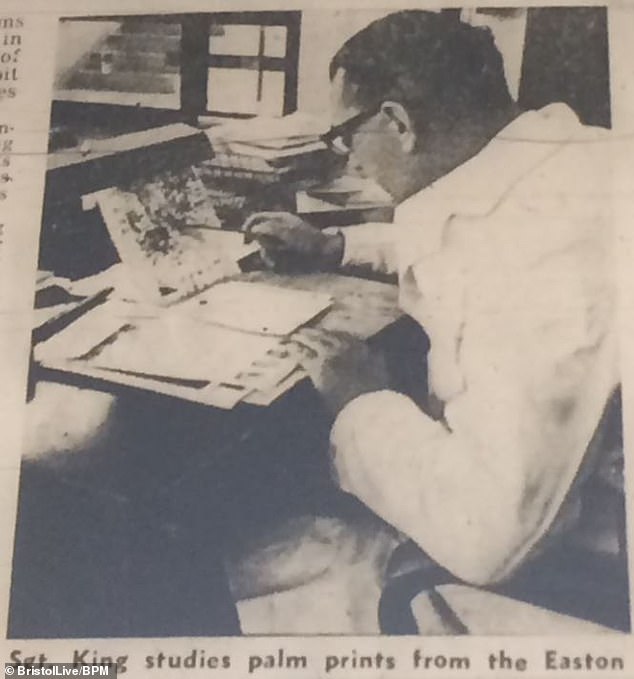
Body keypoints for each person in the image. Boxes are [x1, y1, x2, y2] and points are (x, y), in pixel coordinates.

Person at [243, 7, 619, 594]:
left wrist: (361, 404)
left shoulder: (527, 264)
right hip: (574, 473)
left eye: (345, 136)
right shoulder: (567, 157)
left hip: (591, 546)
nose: (351, 159)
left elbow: (488, 537)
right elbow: (462, 227)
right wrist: (337, 246)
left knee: (264, 567)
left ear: (398, 123)